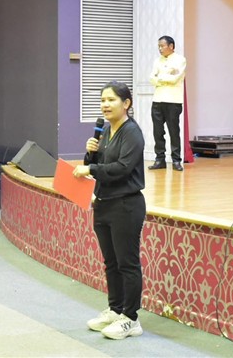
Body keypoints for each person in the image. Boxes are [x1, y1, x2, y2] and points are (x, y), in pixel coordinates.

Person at [73, 81, 146, 340]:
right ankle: (116, 310)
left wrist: (91, 168)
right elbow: (97, 167)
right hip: (103, 202)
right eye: (103, 100)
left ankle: (131, 318)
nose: (105, 105)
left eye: (111, 100)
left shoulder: (132, 132)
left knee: (127, 263)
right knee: (111, 263)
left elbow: (123, 168)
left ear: (126, 104)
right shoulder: (104, 131)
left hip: (126, 205)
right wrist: (90, 154)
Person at [149, 35, 187, 171]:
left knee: (174, 131)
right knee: (158, 132)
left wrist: (160, 77)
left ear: (171, 46)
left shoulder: (180, 60)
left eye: (162, 46)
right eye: (158, 46)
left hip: (173, 101)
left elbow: (175, 78)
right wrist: (167, 75)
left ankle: (176, 160)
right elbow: (151, 78)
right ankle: (160, 159)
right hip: (157, 100)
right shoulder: (157, 61)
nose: (160, 49)